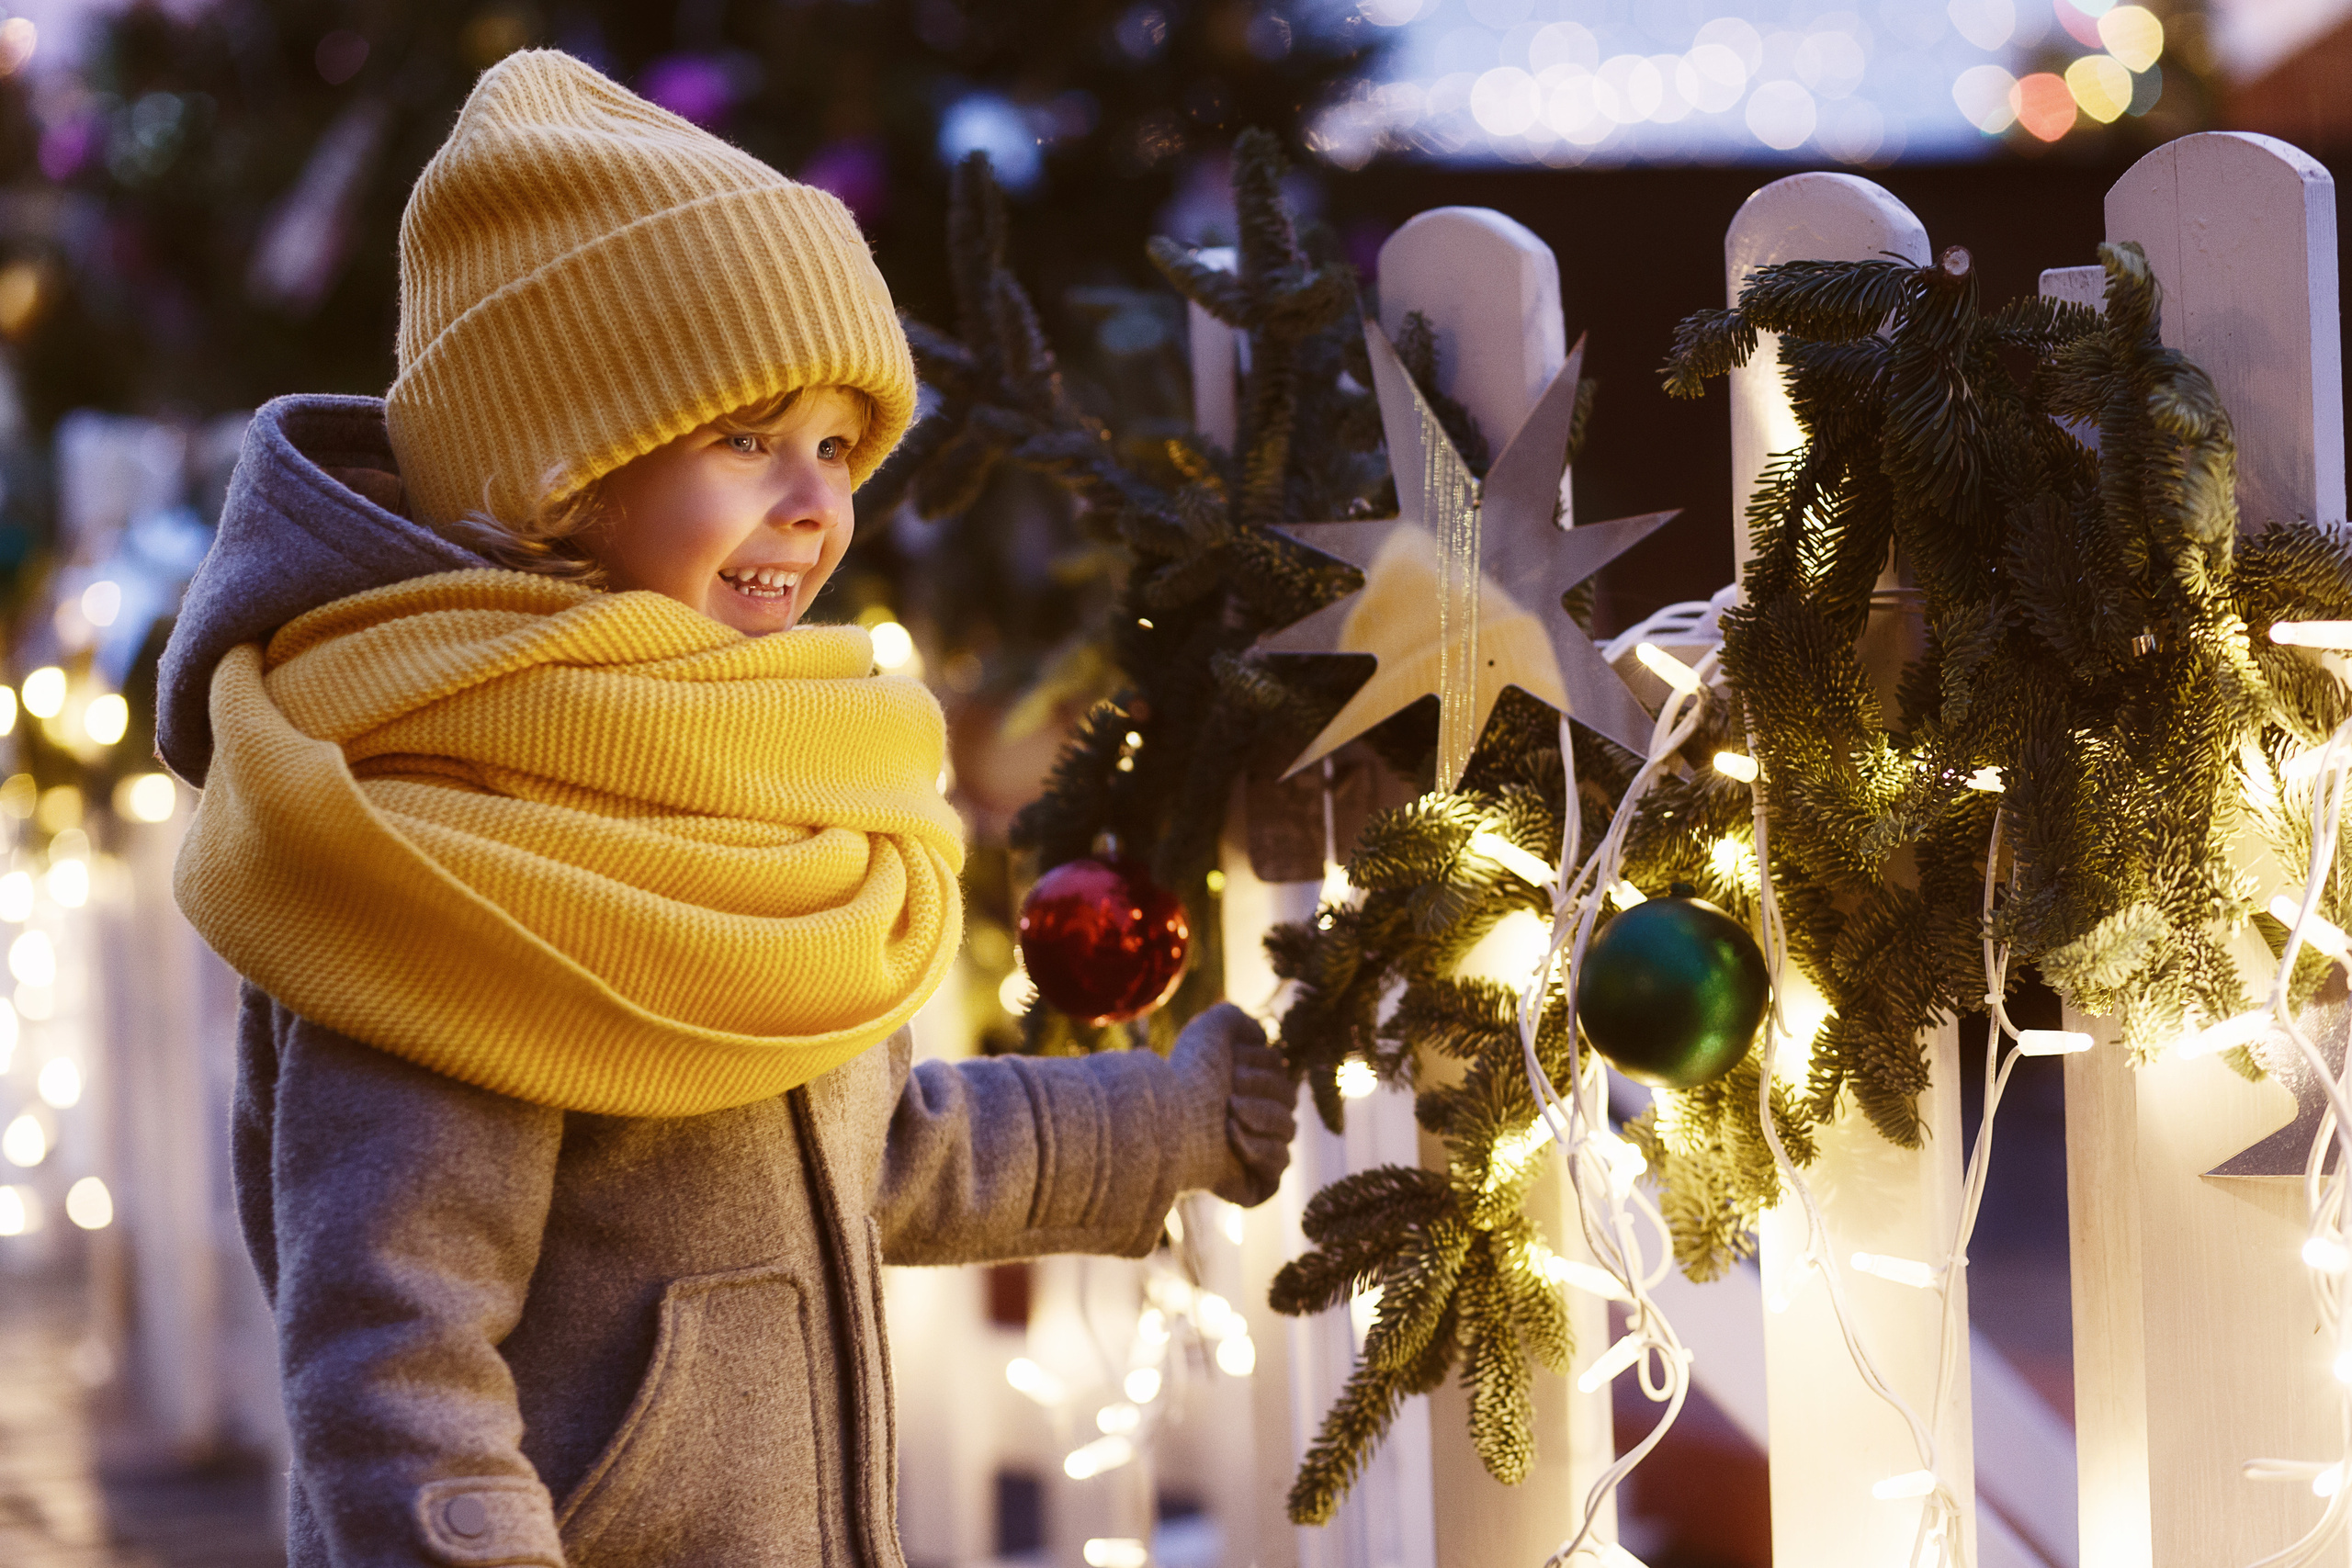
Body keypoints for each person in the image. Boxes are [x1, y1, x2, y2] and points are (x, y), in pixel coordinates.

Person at [155, 51, 1295, 1567]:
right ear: (563, 469)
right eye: (747, 438)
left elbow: (885, 1153)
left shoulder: (740, 774)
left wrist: (1169, 1121)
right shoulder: (452, 840)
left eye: (837, 447)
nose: (816, 501)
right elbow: (392, 1349)